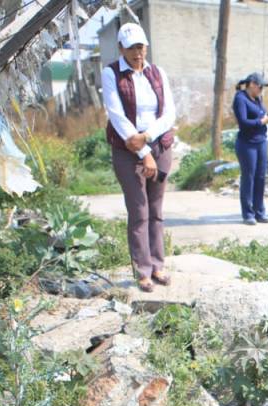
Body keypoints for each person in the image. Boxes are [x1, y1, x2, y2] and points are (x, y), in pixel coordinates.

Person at [102, 22, 176, 292]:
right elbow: (117, 116)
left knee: (156, 210)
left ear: (146, 47)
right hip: (127, 149)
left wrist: (147, 137)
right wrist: (143, 152)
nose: (137, 53)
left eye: (141, 47)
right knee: (139, 211)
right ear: (121, 48)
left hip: (158, 145)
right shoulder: (111, 73)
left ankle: (158, 265)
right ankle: (143, 270)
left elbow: (169, 113)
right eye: (131, 48)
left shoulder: (157, 72)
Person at [233, 73, 268, 226]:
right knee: (249, 177)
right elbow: (243, 122)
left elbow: (261, 116)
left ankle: (260, 211)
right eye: (260, 86)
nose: (261, 89)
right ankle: (248, 214)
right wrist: (262, 121)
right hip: (247, 144)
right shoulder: (240, 98)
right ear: (251, 84)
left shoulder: (258, 99)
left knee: (260, 177)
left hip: (261, 142)